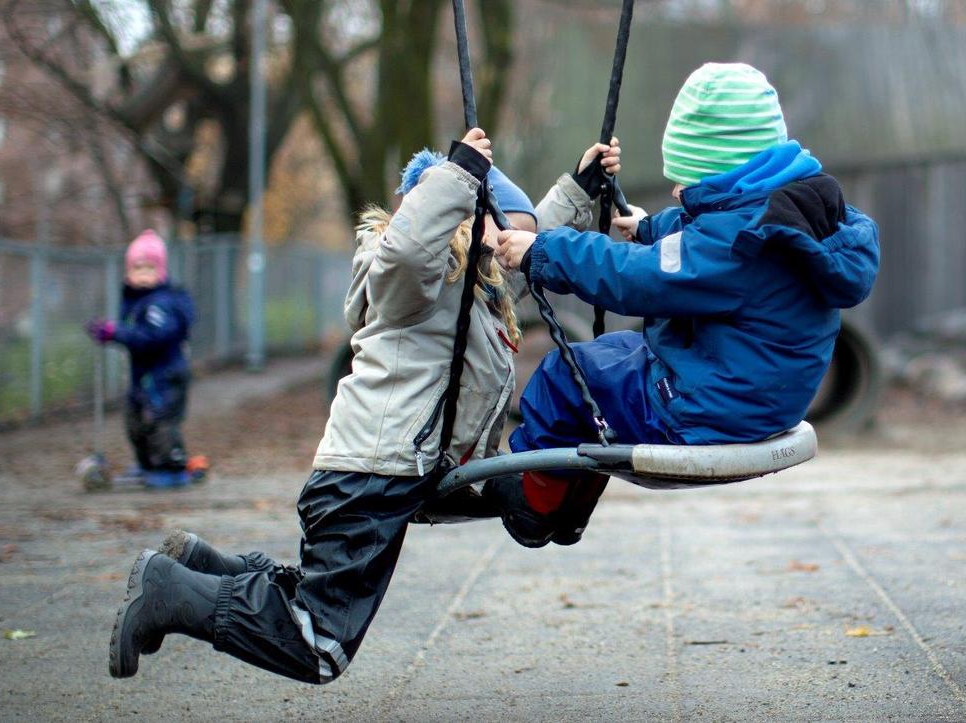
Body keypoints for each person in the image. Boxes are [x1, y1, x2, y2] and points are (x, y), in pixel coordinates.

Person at [107, 128, 622, 681]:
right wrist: (454, 178)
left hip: (407, 472)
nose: (509, 249)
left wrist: (577, 190)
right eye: (501, 234)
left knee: (516, 490)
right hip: (372, 478)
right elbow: (406, 253)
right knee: (319, 643)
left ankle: (203, 568)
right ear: (460, 222)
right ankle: (170, 591)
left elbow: (525, 236)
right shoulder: (415, 283)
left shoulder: (474, 285)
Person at [489, 62, 881, 549]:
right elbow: (709, 245)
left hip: (704, 408)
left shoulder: (737, 242)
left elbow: (642, 277)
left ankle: (533, 504)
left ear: (722, 166)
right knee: (610, 358)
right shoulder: (802, 209)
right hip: (759, 395)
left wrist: (544, 251)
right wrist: (651, 228)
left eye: (689, 182)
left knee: (564, 375)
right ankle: (566, 509)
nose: (678, 191)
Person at [87, 230, 197, 488]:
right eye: (138, 268)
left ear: (160, 271)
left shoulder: (160, 303)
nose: (144, 274)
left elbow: (154, 336)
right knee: (136, 422)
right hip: (145, 376)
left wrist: (117, 332)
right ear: (129, 271)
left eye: (150, 268)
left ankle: (170, 465)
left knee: (160, 421)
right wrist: (111, 332)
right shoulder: (137, 301)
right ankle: (147, 463)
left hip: (165, 375)